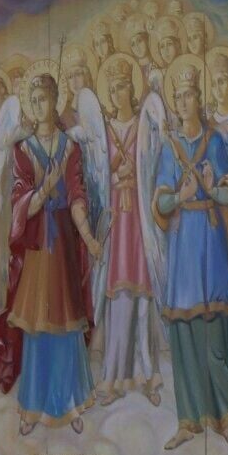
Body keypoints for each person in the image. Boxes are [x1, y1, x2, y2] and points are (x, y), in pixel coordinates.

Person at [0, 70, 98, 435]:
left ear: (55, 101)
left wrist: (88, 235)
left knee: (65, 321)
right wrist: (42, 191)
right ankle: (32, 406)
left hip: (63, 243)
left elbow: (78, 195)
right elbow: (19, 200)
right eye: (32, 100)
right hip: (36, 249)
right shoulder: (22, 151)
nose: (38, 105)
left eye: (44, 98)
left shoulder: (71, 148)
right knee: (35, 325)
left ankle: (70, 402)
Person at [149, 63, 228, 447]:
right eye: (178, 96)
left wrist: (210, 187)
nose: (183, 101)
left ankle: (225, 414)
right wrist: (184, 196)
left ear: (198, 99)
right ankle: (189, 420)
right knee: (185, 337)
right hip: (182, 245)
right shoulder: (168, 147)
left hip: (209, 241)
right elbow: (160, 200)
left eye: (188, 94)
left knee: (214, 335)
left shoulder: (216, 142)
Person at [93, 55, 160, 405]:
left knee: (142, 298)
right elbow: (98, 174)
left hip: (140, 220)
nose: (119, 92)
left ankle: (145, 372)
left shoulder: (143, 123)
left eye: (123, 86)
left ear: (131, 88)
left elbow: (153, 161)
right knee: (118, 297)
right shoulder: (104, 131)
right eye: (113, 87)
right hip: (117, 222)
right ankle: (112, 375)